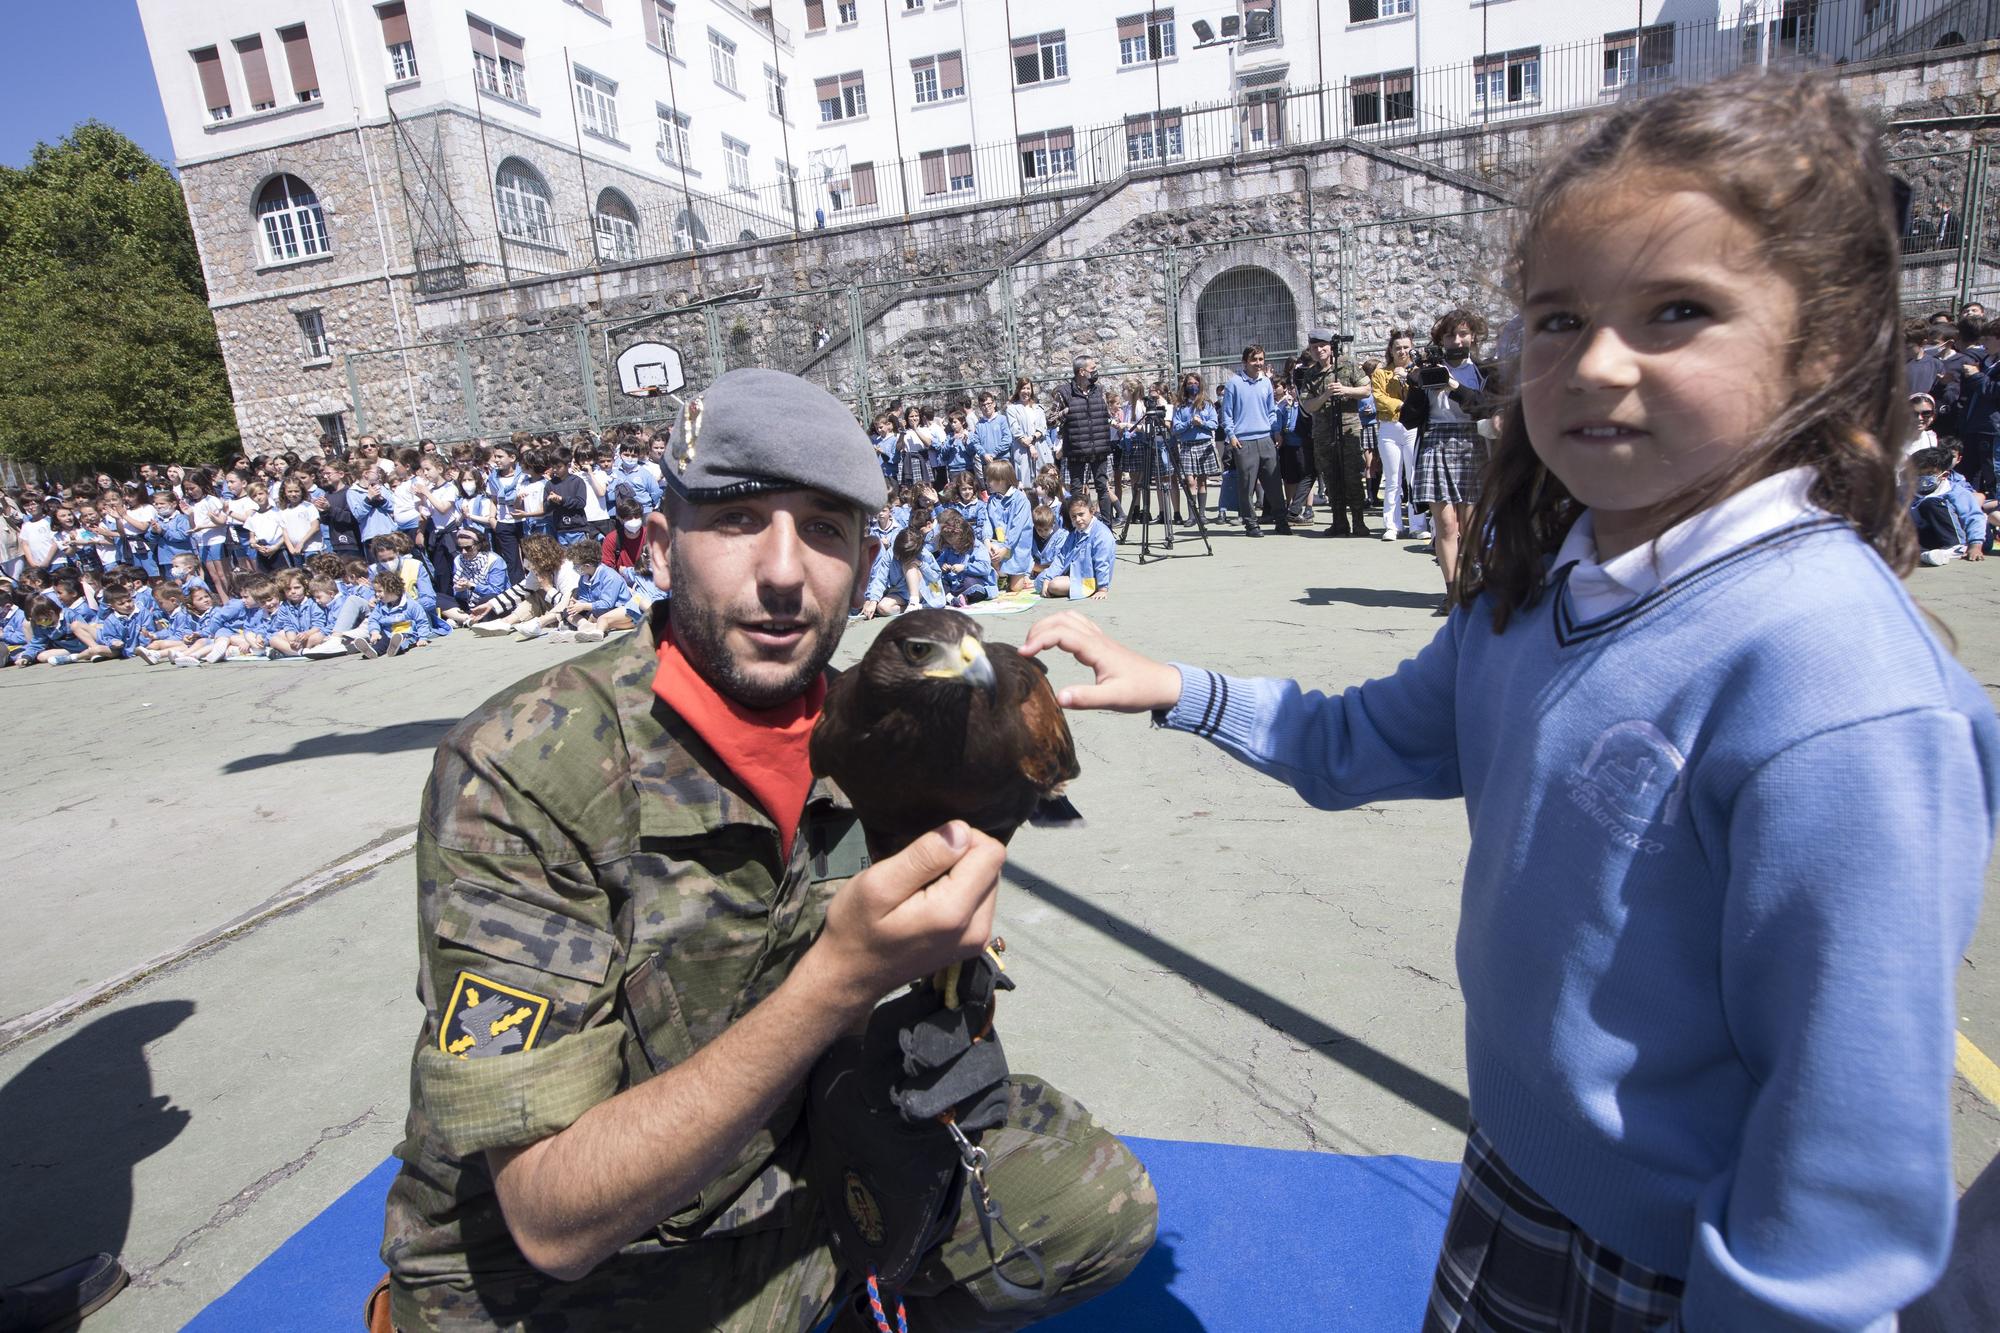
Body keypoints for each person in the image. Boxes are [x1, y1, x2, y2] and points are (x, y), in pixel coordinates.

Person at [1024, 70, 1993, 1333]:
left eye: (1675, 312)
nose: (1594, 363)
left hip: (1677, 1275)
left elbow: (1842, 1145)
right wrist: (1183, 690)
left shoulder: (1833, 685)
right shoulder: (1541, 589)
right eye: (1553, 317)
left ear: (1819, 348)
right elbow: (1365, 738)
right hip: (1513, 1180)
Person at [377, 367, 1154, 1332]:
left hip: (800, 1156)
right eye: (740, 518)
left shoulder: (880, 728)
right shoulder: (524, 767)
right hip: (579, 1272)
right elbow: (550, 1217)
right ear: (661, 548)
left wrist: (936, 1012)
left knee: (1094, 1208)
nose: (785, 570)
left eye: (825, 528)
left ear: (865, 570)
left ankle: (852, 1284)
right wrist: (843, 978)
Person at [1409, 308, 1501, 613]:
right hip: (1436, 441)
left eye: (1462, 334)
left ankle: (1472, 582)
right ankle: (1451, 592)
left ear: (1473, 337)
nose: (1457, 340)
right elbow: (1408, 419)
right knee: (1446, 524)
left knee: (1471, 524)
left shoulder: (1485, 370)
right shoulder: (1428, 369)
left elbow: (1485, 406)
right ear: (1441, 339)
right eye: (1450, 335)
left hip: (1472, 441)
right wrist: (1414, 384)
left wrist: (1453, 385)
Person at [1296, 331, 1373, 536]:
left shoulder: (1347, 364)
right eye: (1314, 347)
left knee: (1352, 477)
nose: (1319, 350)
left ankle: (1358, 521)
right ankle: (1339, 521)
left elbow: (1366, 389)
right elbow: (1308, 405)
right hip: (1323, 433)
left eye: (1323, 346)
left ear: (1331, 347)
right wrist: (1326, 395)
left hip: (1348, 429)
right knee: (1331, 477)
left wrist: (1345, 391)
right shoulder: (1311, 374)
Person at [1220, 345, 1287, 537]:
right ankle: (1251, 524)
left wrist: (1276, 431)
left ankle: (1281, 521)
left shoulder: (1266, 382)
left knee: (1274, 483)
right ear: (1245, 362)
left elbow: (1271, 410)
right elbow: (1227, 414)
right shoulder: (1233, 383)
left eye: (1260, 359)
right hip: (1244, 441)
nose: (1258, 363)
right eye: (1254, 360)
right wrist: (1232, 436)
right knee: (1247, 485)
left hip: (1266, 438)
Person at [1048, 355, 1121, 525]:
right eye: (1092, 369)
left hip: (1099, 447)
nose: (1095, 372)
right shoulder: (1064, 392)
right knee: (1076, 490)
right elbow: (1050, 420)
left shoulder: (1099, 390)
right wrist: (1065, 412)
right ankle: (1076, 526)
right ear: (1081, 371)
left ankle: (1107, 528)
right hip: (1077, 449)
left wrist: (1115, 423)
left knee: (1103, 488)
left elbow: (1104, 414)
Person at [1170, 371, 1221, 521]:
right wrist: (1189, 422)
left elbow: (1214, 424)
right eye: (1190, 383)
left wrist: (1202, 423)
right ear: (1185, 386)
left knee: (1202, 481)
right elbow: (1176, 428)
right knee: (1189, 481)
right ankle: (1192, 516)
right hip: (1187, 445)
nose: (1193, 386)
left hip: (1204, 445)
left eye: (1196, 383)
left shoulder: (1207, 404)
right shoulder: (1180, 406)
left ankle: (1202, 515)